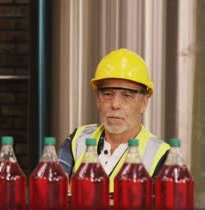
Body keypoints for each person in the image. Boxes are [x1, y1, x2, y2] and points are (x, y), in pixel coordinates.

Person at [57, 48, 170, 193]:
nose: (115, 104)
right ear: (98, 100)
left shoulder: (162, 156)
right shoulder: (77, 140)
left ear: (144, 103)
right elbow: (53, 193)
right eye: (108, 94)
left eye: (127, 96)